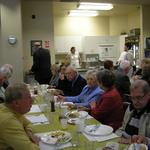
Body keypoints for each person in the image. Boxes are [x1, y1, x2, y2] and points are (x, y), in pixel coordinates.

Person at [0, 83, 40, 150]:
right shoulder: (8, 120)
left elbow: (28, 123)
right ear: (16, 103)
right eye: (28, 97)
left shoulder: (9, 109)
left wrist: (29, 133)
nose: (32, 100)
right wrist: (37, 142)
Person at [116, 80, 150, 144]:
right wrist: (118, 136)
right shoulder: (130, 108)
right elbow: (122, 128)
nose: (135, 102)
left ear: (148, 95)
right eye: (133, 98)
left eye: (139, 97)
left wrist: (147, 141)